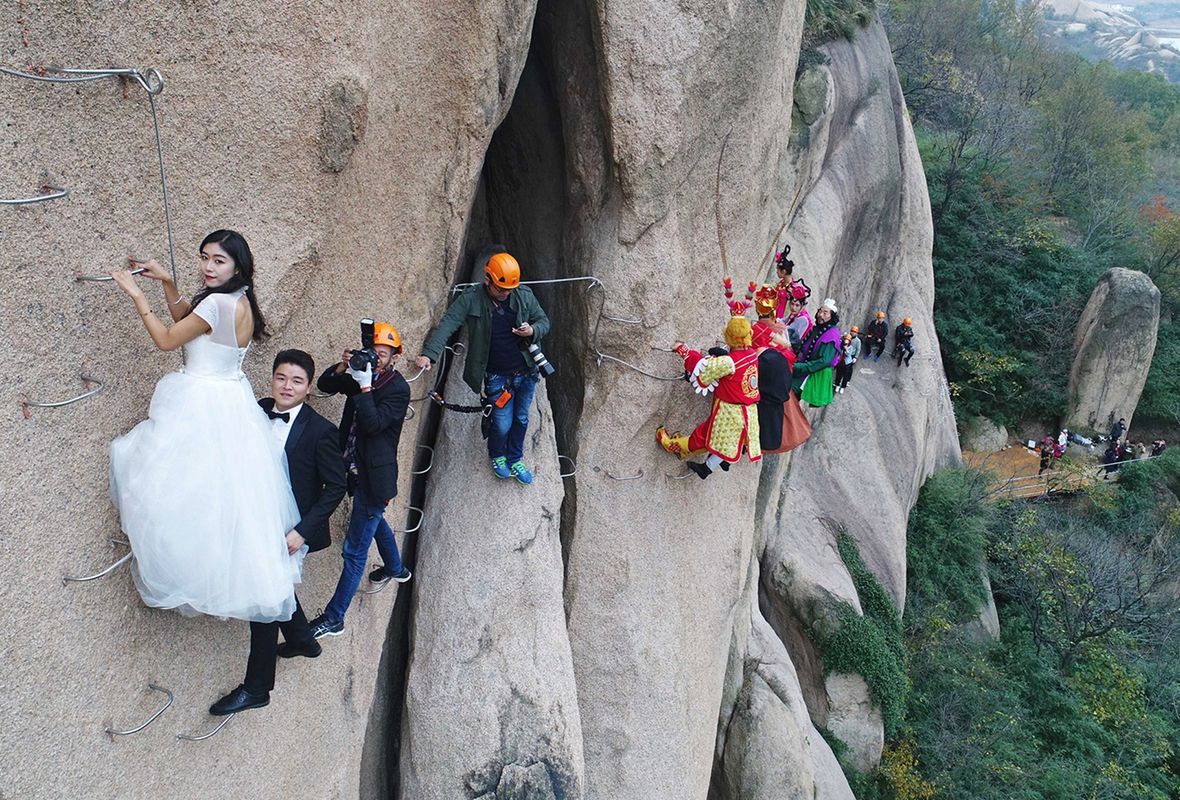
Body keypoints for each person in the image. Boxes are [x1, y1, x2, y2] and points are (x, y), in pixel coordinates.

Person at [109, 230, 302, 621]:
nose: (209, 267)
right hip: (231, 402)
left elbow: (167, 339)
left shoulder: (217, 303)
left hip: (202, 401)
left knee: (174, 486)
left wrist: (137, 296)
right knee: (222, 497)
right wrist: (167, 282)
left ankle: (178, 562)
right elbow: (191, 324)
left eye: (218, 261)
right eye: (204, 257)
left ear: (237, 265)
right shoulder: (240, 300)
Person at [209, 349, 348, 715]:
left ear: (307, 388)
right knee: (274, 588)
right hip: (253, 518)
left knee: (265, 598)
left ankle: (257, 688)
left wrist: (301, 532)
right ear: (271, 379)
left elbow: (336, 487)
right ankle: (304, 640)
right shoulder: (256, 409)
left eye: (297, 381)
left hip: (289, 529)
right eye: (281, 378)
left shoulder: (321, 432)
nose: (287, 386)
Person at [309, 322, 412, 639]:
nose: (377, 358)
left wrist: (365, 386)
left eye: (383, 354)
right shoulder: (360, 372)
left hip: (374, 478)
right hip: (352, 467)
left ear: (394, 357)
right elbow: (326, 384)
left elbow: (372, 424)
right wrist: (344, 366)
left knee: (354, 552)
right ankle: (396, 569)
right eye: (374, 352)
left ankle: (334, 617)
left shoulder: (398, 389)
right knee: (373, 518)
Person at [415, 246, 550, 485]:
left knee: (521, 419)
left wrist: (532, 330)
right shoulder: (471, 298)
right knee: (502, 422)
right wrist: (429, 355)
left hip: (526, 371)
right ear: (487, 279)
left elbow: (543, 321)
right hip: (497, 376)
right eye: (501, 289)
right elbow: (448, 324)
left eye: (509, 289)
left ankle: (515, 458)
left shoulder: (523, 295)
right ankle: (497, 454)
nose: (505, 293)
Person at [656, 314, 761, 480]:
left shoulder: (729, 362)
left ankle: (674, 447)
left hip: (730, 412)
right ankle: (701, 460)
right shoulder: (752, 354)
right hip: (748, 411)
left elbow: (703, 368)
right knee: (724, 441)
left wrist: (683, 351)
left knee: (706, 435)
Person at [791, 298, 842, 407]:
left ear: (831, 316)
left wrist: (799, 367)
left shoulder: (831, 336)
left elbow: (824, 361)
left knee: (789, 392)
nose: (820, 315)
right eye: (820, 311)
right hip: (801, 367)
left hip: (810, 373)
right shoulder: (817, 329)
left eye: (825, 313)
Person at [783, 281, 813, 351]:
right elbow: (783, 321)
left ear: (802, 306)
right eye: (792, 304)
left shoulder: (803, 319)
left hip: (794, 349)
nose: (793, 308)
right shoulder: (795, 314)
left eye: (797, 305)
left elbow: (794, 339)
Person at [835, 326, 861, 394]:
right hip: (842, 360)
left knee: (847, 373)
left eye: (854, 332)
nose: (853, 333)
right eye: (852, 331)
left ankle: (844, 384)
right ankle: (837, 384)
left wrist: (855, 357)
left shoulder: (856, 342)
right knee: (839, 374)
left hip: (849, 359)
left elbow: (857, 350)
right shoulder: (847, 337)